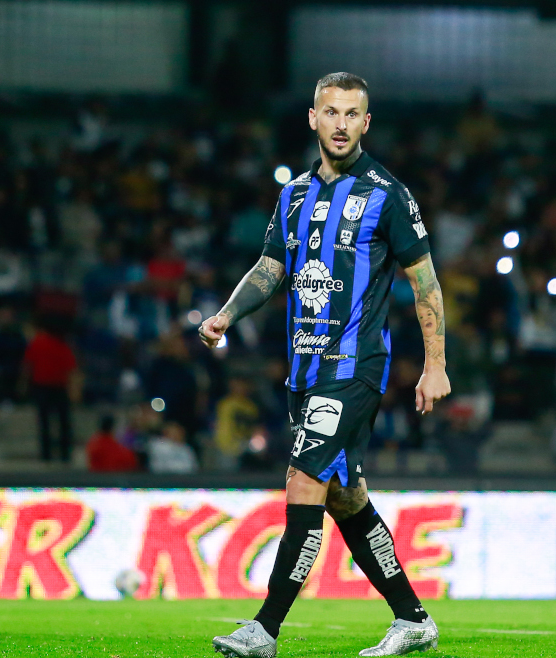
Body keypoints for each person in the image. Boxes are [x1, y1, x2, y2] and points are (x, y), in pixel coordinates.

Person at [202, 72, 450, 657]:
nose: (340, 123)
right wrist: (225, 316)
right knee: (345, 496)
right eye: (330, 112)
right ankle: (412, 619)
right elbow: (270, 268)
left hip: (355, 367)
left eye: (352, 114)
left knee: (304, 480)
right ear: (313, 118)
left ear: (367, 123)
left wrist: (435, 364)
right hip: (304, 374)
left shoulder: (388, 195)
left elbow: (427, 284)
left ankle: (264, 629)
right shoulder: (292, 196)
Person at [21, 318, 79, 463]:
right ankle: (65, 454)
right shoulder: (62, 345)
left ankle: (46, 455)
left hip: (43, 387)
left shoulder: (38, 343)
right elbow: (71, 370)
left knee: (45, 422)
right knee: (63, 422)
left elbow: (28, 367)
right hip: (57, 388)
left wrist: (23, 385)